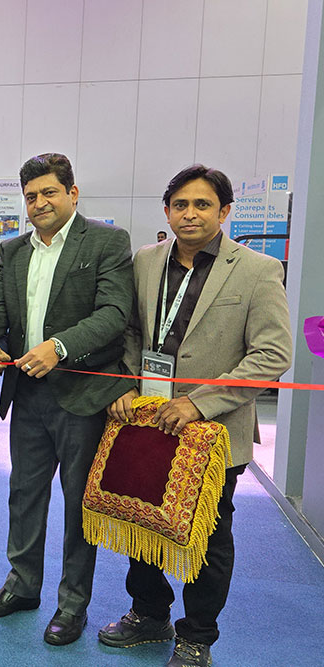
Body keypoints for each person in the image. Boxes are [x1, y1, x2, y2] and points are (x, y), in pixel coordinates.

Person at [0, 153, 135, 645]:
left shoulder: (106, 241)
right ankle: (22, 586)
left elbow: (114, 313)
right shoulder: (14, 249)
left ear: (72, 193)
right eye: (31, 196)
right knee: (24, 496)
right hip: (27, 394)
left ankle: (72, 604)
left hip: (83, 396)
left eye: (49, 193)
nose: (39, 203)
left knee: (78, 505)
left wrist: (58, 347)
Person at [97, 165, 293, 667]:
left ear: (224, 212)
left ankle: (197, 635)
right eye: (180, 205)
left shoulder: (257, 270)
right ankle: (149, 613)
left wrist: (199, 402)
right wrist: (127, 382)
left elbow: (272, 355)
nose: (190, 214)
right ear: (167, 211)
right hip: (148, 420)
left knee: (207, 534)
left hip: (213, 430)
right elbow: (131, 331)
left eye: (202, 204)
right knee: (142, 518)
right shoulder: (145, 261)